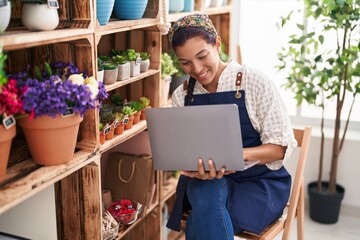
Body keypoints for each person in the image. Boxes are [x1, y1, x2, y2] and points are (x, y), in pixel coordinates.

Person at [165, 14, 298, 240]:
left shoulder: (254, 82)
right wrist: (196, 167)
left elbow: (280, 148)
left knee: (202, 199)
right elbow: (187, 151)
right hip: (206, 179)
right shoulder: (182, 96)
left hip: (257, 182)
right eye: (185, 63)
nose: (196, 69)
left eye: (202, 56)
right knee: (205, 189)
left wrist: (236, 157)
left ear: (217, 44)